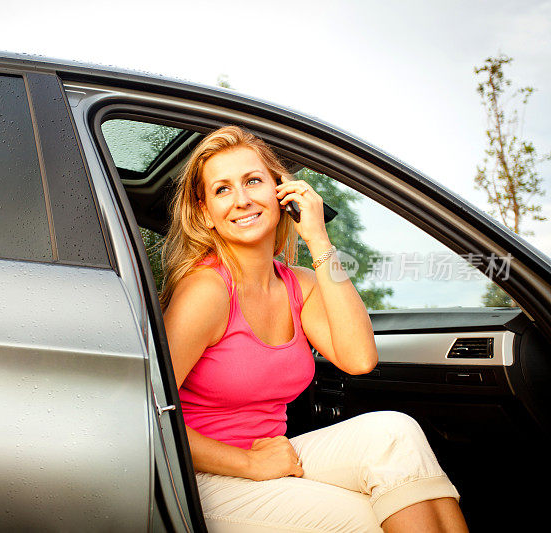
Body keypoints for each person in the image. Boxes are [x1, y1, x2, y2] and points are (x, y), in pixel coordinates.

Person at [161, 125, 468, 532]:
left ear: (281, 191)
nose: (242, 199)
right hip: (200, 477)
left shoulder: (298, 284)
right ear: (205, 214)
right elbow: (148, 414)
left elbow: (359, 358)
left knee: (395, 433)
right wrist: (250, 463)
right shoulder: (206, 291)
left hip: (276, 455)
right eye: (222, 189)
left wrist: (319, 239)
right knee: (372, 518)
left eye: (253, 181)